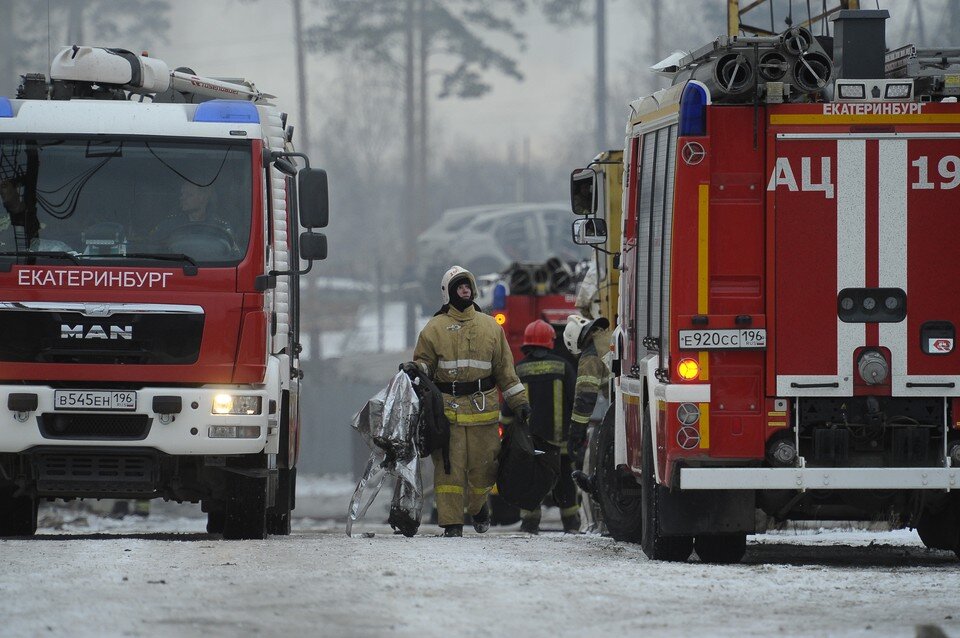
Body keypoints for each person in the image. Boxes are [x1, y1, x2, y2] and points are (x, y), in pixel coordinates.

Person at [402, 265, 531, 538]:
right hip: (448, 414)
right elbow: (425, 364)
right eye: (459, 286)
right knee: (449, 471)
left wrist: (519, 402)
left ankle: (478, 507)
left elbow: (505, 370)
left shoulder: (491, 327)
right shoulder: (434, 328)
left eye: (467, 286)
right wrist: (416, 368)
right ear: (448, 293)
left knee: (485, 468)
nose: (464, 290)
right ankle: (452, 524)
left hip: (483, 412)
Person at [500, 319, 580, 534]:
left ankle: (530, 524)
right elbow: (575, 401)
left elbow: (507, 411)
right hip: (560, 444)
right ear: (550, 342)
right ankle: (571, 524)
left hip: (530, 445)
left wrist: (507, 436)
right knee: (565, 482)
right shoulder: (563, 367)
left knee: (531, 482)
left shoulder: (519, 370)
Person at [563, 314, 612, 474]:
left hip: (620, 409)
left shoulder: (590, 357)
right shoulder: (608, 337)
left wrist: (576, 434)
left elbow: (585, 398)